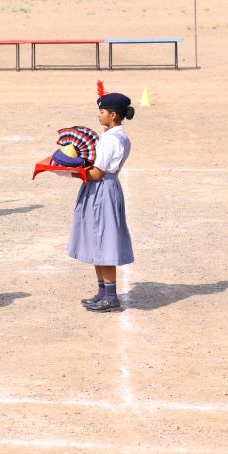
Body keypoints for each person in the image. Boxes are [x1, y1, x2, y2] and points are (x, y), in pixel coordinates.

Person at [69, 90, 135, 313]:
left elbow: (96, 173)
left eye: (102, 111)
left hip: (101, 189)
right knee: (98, 239)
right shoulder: (118, 136)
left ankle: (110, 296)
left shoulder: (110, 140)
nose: (99, 115)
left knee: (103, 241)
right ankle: (103, 292)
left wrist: (69, 170)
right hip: (106, 187)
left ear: (113, 115)